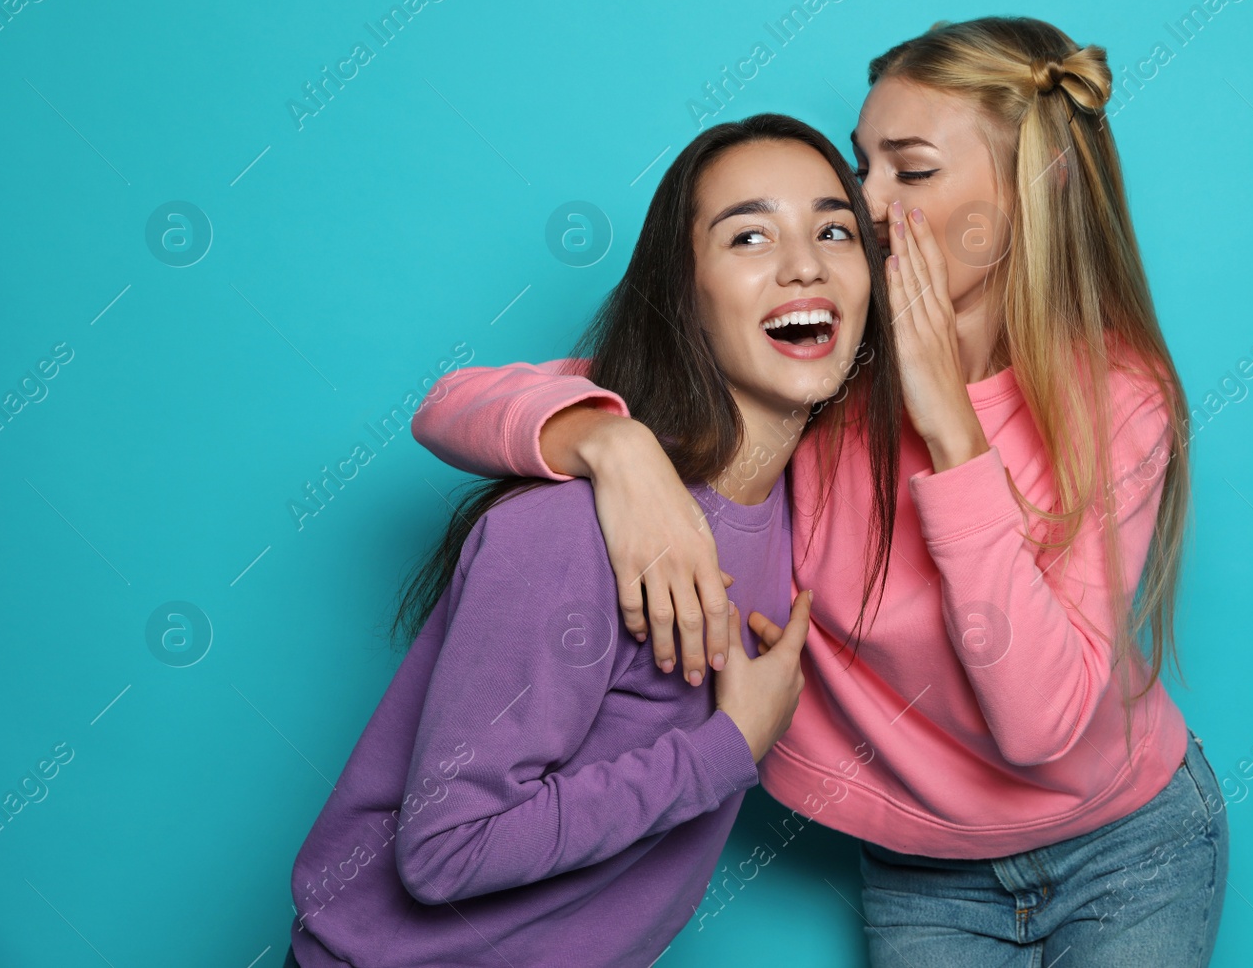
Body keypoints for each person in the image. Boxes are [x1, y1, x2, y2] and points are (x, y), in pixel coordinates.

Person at [412, 16, 1230, 965]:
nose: (866, 200)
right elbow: (452, 403)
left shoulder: (1117, 401)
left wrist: (954, 437)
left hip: (1129, 842)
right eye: (861, 165)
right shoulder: (820, 365)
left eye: (909, 170)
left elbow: (1042, 723)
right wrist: (611, 441)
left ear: (1026, 198)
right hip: (923, 867)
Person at [283, 112, 903, 968]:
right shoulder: (569, 528)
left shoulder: (814, 505)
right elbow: (443, 850)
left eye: (835, 230)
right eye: (749, 236)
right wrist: (728, 746)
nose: (804, 263)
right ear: (682, 293)